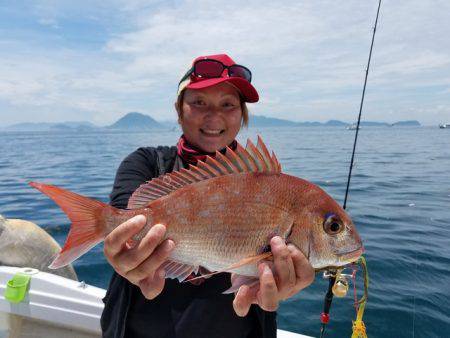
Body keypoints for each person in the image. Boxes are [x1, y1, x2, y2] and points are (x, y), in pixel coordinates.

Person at [100, 54, 315, 338]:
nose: (214, 116)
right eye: (199, 102)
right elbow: (124, 223)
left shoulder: (268, 185)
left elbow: (265, 266)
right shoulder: (145, 163)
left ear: (242, 114)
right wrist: (126, 256)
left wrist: (283, 279)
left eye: (228, 104)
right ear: (179, 110)